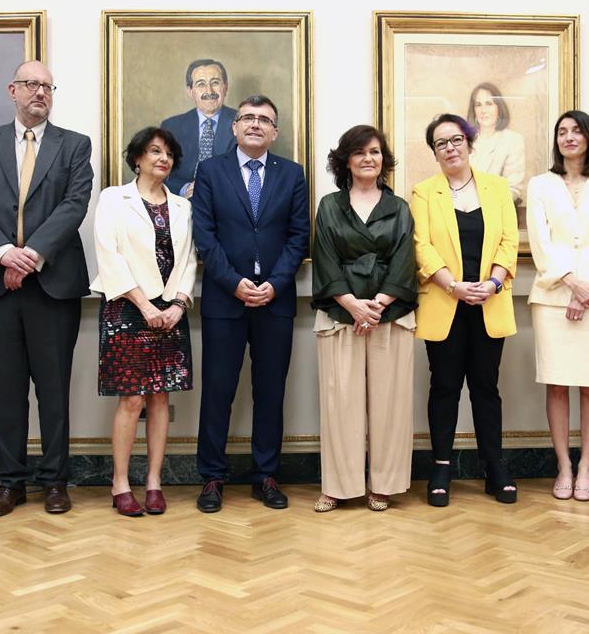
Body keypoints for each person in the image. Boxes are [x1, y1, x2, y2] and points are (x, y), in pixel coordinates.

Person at [0, 60, 94, 517]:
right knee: (6, 388)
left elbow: (74, 204)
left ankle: (55, 481)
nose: (41, 92)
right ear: (11, 90)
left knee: (54, 390)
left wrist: (32, 255)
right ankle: (10, 482)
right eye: (31, 85)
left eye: (48, 86)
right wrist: (2, 253)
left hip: (52, 285)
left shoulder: (75, 145)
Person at [191, 94, 309, 513]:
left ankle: (266, 475)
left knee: (270, 391)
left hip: (275, 302)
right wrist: (235, 282)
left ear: (275, 131)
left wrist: (274, 284)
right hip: (225, 300)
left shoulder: (292, 174)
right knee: (218, 391)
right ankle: (212, 477)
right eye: (248, 118)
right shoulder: (210, 171)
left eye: (265, 120)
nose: (256, 124)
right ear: (234, 127)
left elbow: (299, 237)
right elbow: (204, 236)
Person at [411, 114, 518, 506]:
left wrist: (490, 283)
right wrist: (453, 285)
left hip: (489, 302)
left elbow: (508, 240)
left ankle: (494, 467)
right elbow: (421, 246)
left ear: (469, 144)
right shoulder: (424, 192)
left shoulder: (497, 187)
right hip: (446, 302)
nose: (450, 147)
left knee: (487, 390)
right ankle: (440, 468)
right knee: (444, 388)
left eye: (456, 139)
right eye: (441, 143)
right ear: (434, 152)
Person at [90, 127, 196, 516]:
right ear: (137, 157)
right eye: (154, 151)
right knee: (132, 398)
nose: (162, 158)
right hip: (127, 308)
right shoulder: (113, 199)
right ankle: (120, 482)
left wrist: (179, 305)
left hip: (171, 312)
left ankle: (153, 481)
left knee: (161, 398)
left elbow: (188, 261)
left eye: (168, 152)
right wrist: (145, 306)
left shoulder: (183, 207)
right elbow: (109, 254)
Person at [311, 125, 417, 512]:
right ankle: (338, 486)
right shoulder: (329, 205)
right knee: (341, 404)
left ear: (383, 159)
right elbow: (324, 258)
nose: (368, 158)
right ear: (346, 160)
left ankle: (384, 485)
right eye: (359, 152)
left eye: (374, 151)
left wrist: (378, 304)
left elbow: (406, 261)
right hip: (341, 314)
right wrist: (353, 304)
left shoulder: (400, 208)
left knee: (390, 405)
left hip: (391, 315)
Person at [526, 110, 589, 502]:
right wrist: (570, 282)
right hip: (552, 296)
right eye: (562, 131)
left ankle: (586, 468)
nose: (569, 137)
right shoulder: (540, 185)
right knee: (557, 385)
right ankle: (563, 466)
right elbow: (540, 241)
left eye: (576, 130)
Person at [160, 59, 237, 199]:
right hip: (180, 205)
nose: (209, 91)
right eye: (201, 84)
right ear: (190, 91)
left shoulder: (243, 123)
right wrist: (185, 189)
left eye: (215, 82)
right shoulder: (171, 127)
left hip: (228, 202)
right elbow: (159, 172)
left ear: (225, 87)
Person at [467, 82, 526, 205]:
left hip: (498, 212)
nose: (483, 110)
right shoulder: (464, 140)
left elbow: (513, 189)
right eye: (478, 105)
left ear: (499, 108)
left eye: (489, 104)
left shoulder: (513, 141)